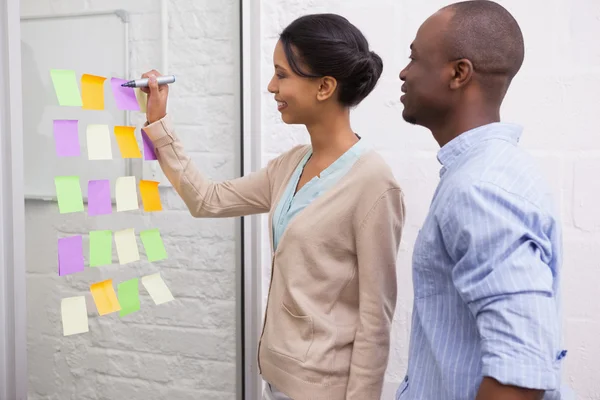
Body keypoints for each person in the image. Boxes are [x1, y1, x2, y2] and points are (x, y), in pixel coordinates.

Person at [140, 13, 405, 400]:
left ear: (325, 86)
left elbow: (375, 320)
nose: (270, 86)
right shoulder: (291, 163)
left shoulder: (374, 183)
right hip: (275, 382)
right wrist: (159, 122)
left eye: (282, 75)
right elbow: (207, 200)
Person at [396, 1, 564, 399]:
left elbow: (519, 376)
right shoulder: (486, 172)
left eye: (415, 58)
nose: (403, 72)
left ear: (459, 73)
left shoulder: (480, 188)